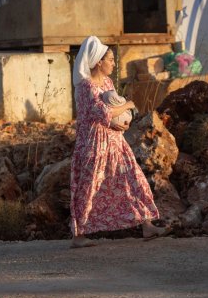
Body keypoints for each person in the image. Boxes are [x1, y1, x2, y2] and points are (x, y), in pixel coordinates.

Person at [69, 35, 170, 248]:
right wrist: (129, 105)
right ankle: (79, 235)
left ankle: (147, 225)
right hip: (94, 144)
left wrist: (122, 123)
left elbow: (112, 109)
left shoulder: (106, 82)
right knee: (90, 187)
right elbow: (101, 112)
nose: (114, 64)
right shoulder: (86, 87)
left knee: (133, 177)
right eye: (111, 60)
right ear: (98, 62)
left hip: (114, 140)